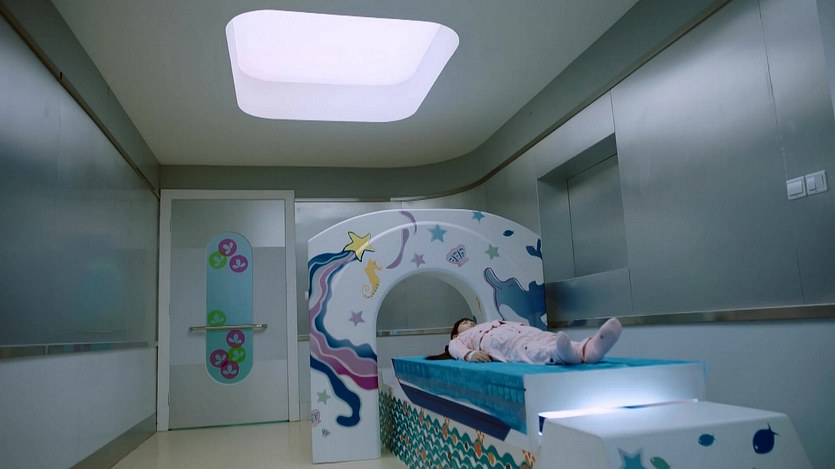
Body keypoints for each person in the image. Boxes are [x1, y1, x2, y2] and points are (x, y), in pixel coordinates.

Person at [427, 317, 622, 365]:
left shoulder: (488, 323)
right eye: (464, 323)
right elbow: (454, 348)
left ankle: (589, 349)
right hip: (499, 341)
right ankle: (561, 355)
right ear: (455, 334)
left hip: (519, 330)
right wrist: (470, 355)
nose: (470, 323)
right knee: (528, 349)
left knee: (548, 337)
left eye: (471, 321)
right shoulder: (461, 339)